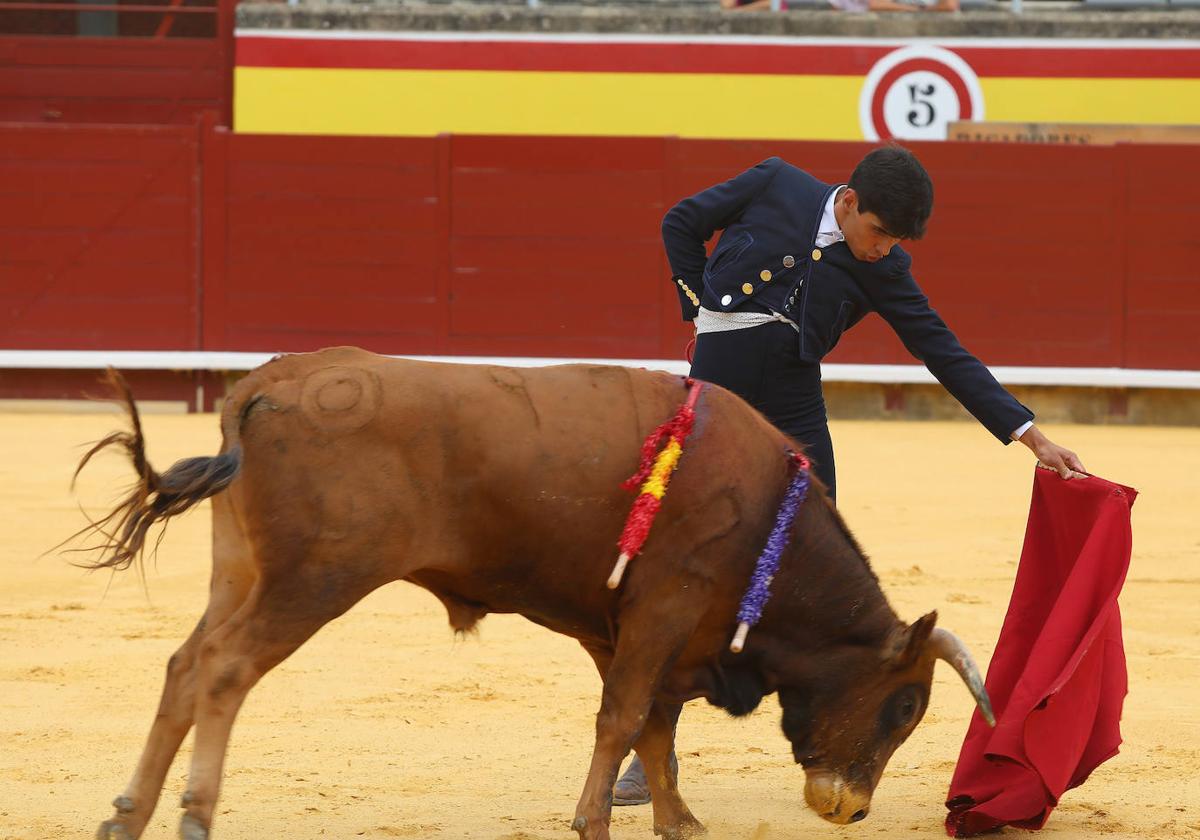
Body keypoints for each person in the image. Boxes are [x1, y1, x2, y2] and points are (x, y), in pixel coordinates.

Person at [612, 146, 1085, 806]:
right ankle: (648, 744)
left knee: (817, 564)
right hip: (717, 396)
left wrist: (1027, 432)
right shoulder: (776, 184)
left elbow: (940, 347)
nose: (882, 249)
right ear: (850, 201)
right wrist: (698, 308)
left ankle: (835, 734)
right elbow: (680, 222)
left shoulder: (884, 267)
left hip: (795, 406)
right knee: (686, 566)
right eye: (878, 233)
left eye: (895, 241)